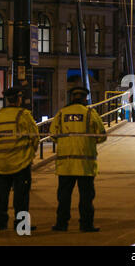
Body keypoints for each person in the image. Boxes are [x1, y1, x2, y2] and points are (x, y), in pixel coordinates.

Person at [50, 87, 107, 232]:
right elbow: (102, 135)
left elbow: (53, 135)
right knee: (86, 198)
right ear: (85, 98)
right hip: (85, 165)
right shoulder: (90, 113)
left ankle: (61, 224)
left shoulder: (61, 113)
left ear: (72, 97)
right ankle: (86, 224)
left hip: (65, 164)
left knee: (63, 197)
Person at [0, 87, 39, 231]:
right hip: (20, 163)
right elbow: (35, 138)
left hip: (1, 163)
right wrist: (31, 154)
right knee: (21, 197)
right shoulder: (23, 114)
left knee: (2, 196)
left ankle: (2, 224)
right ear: (19, 98)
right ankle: (22, 226)